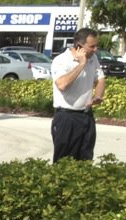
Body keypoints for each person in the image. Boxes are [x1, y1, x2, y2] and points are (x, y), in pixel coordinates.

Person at [50, 28, 106, 163]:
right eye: (92, 46)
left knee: (86, 160)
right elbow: (62, 85)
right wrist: (81, 64)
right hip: (67, 118)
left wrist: (98, 95)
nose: (95, 49)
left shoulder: (93, 58)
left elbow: (100, 78)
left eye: (96, 46)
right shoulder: (61, 60)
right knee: (64, 162)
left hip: (87, 116)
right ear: (79, 46)